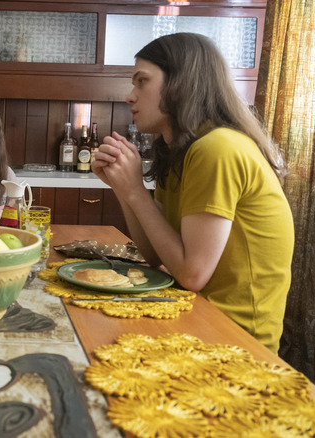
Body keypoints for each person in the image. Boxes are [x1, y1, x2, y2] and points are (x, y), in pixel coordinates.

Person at [91, 33, 294, 354]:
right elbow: (156, 255)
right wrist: (124, 188)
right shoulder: (179, 150)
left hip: (234, 343)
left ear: (181, 84)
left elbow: (191, 273)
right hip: (193, 315)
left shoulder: (218, 149)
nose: (130, 96)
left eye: (142, 81)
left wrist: (135, 191)